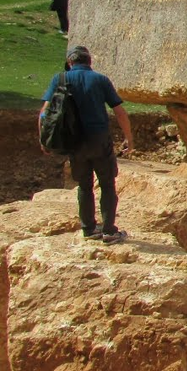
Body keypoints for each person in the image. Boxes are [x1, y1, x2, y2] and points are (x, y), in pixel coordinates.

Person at [38, 46, 134, 244]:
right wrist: (128, 138)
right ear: (89, 62)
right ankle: (108, 230)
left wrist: (44, 140)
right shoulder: (100, 79)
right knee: (107, 184)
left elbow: (44, 113)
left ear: (70, 62)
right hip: (99, 139)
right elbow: (119, 111)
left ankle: (89, 229)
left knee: (84, 185)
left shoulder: (60, 79)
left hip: (74, 141)